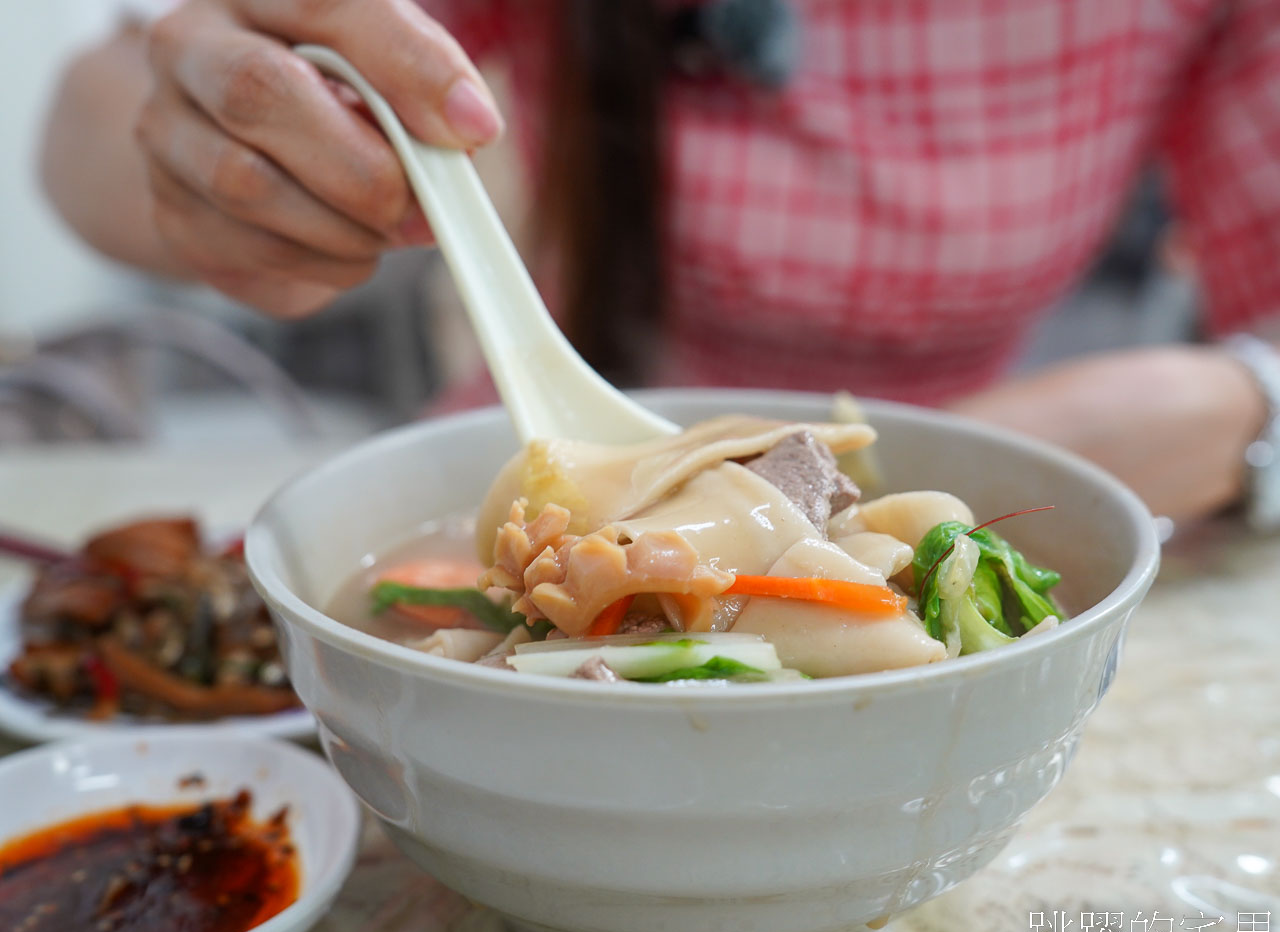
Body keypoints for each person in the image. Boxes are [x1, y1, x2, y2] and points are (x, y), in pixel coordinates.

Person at [39, 0, 1280, 524]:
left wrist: (1228, 407)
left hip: (998, 483)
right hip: (515, 477)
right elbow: (89, 118)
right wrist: (202, 137)